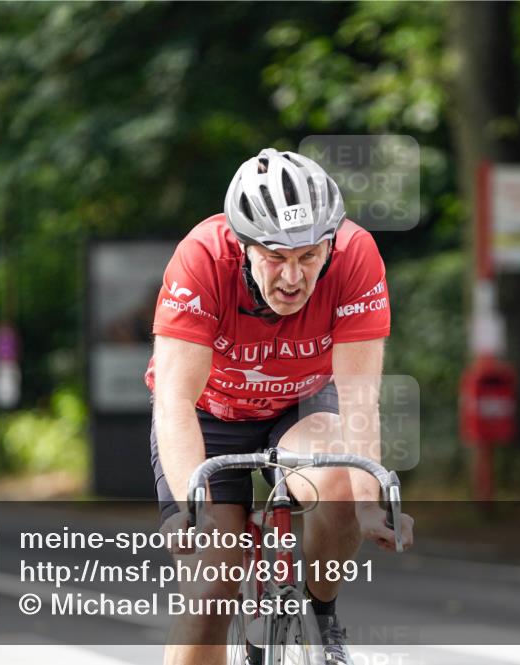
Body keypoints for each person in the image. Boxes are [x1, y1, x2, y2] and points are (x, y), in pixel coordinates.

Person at [145, 147, 414, 665]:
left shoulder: (356, 256)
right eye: (275, 256)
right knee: (211, 586)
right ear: (243, 245)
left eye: (309, 256)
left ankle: (322, 617)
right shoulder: (201, 257)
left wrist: (367, 504)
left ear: (331, 244)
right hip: (209, 415)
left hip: (301, 404)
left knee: (338, 483)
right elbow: (175, 401)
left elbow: (359, 393)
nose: (293, 278)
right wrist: (194, 512)